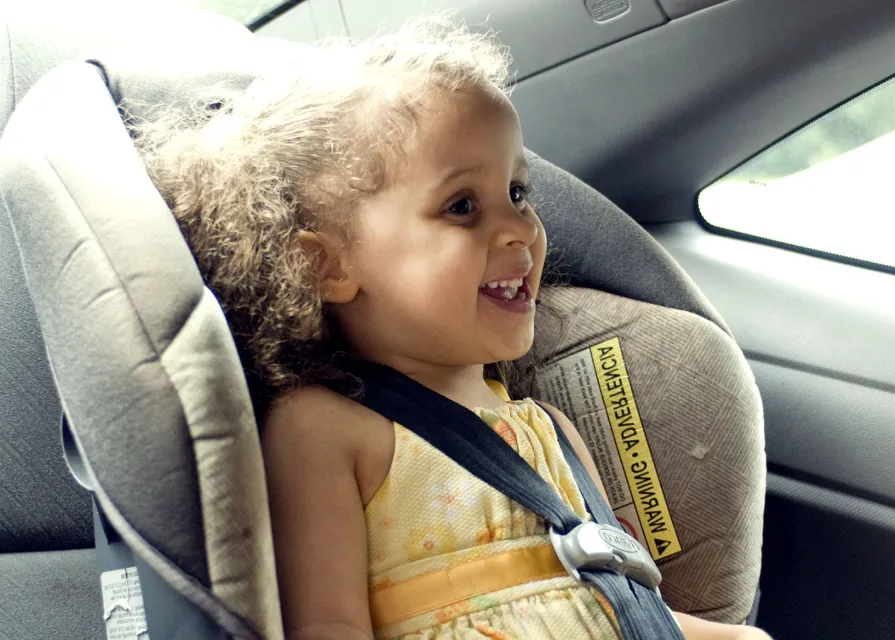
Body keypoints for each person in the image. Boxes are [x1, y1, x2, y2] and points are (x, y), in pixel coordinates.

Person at [136, 15, 772, 640]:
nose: (520, 228)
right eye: (462, 206)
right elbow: (328, 627)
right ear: (327, 265)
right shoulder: (325, 431)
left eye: (519, 193)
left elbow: (616, 603)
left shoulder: (551, 432)